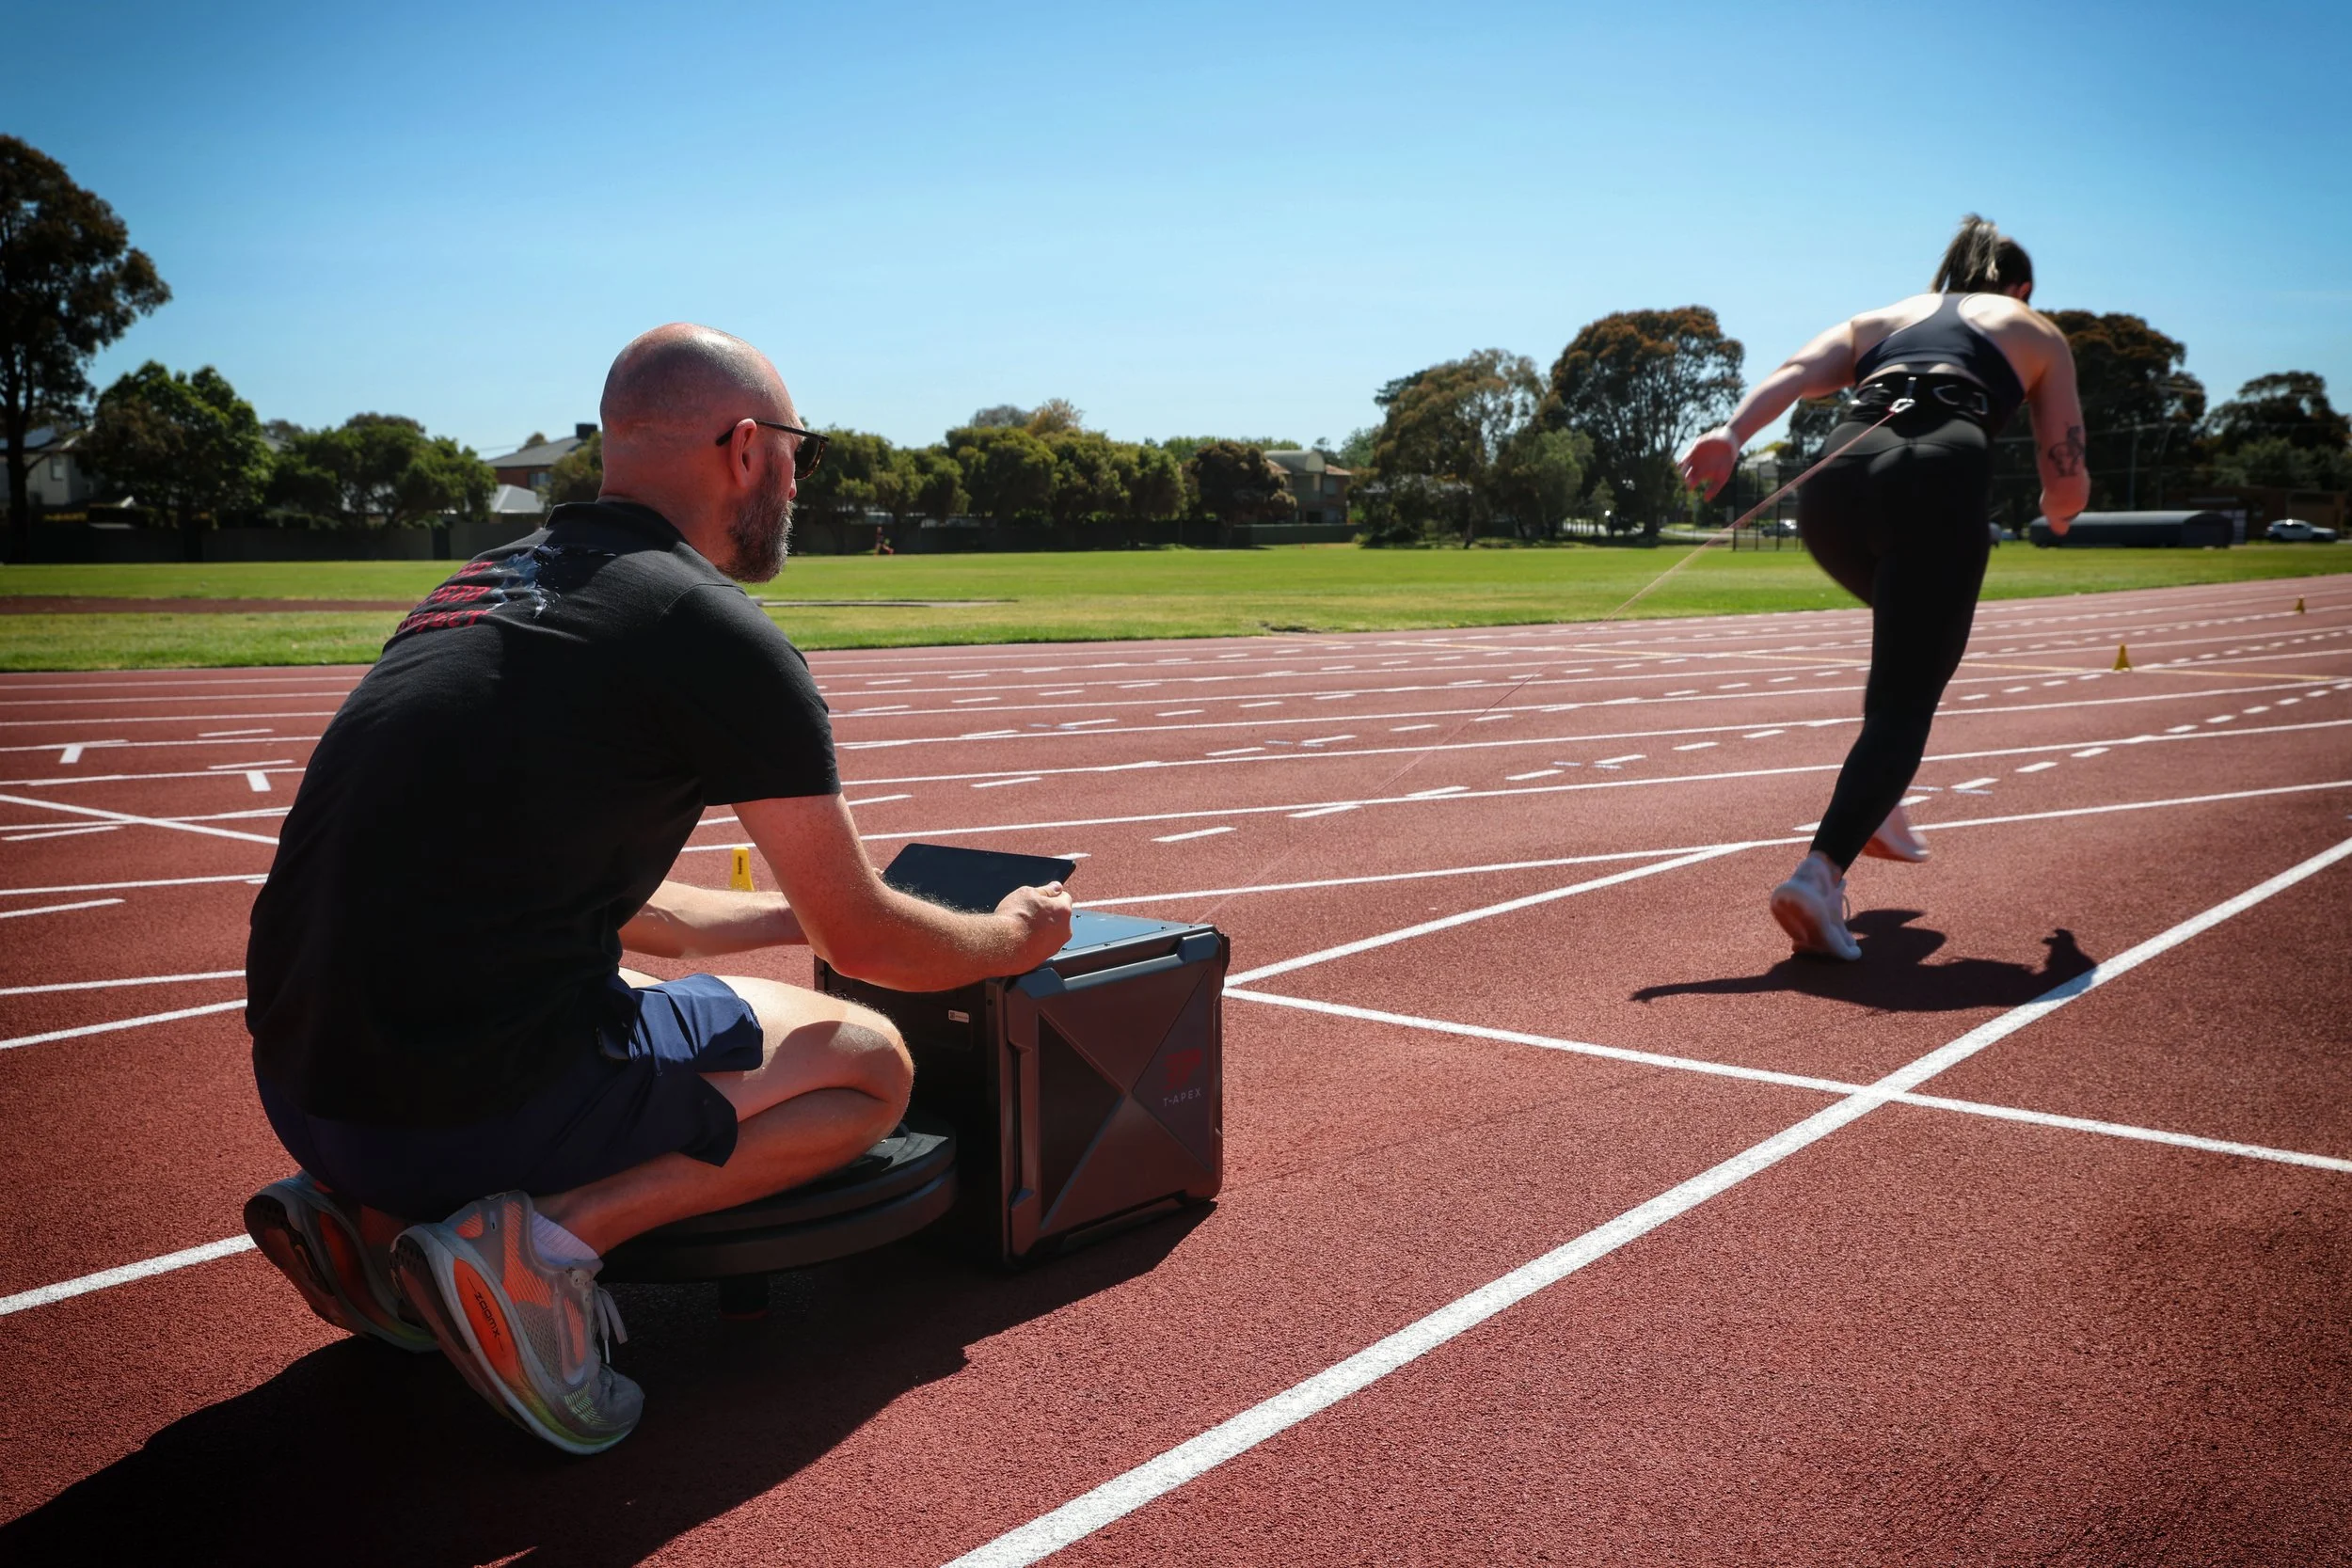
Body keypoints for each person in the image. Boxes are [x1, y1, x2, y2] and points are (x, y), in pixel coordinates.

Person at [241, 324, 1073, 1454]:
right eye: (800, 451)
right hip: (465, 1110)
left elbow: (645, 913)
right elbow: (867, 940)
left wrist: (794, 910)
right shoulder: (705, 625)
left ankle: (363, 1224)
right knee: (870, 1064)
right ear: (745, 448)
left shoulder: (472, 590)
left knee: (619, 974)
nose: (796, 477)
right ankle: (544, 1249)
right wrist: (1005, 938)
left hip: (309, 1096)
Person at [1677, 215, 2089, 960]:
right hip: (1937, 475)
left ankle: (1880, 796)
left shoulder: (1882, 316)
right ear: (2019, 287)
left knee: (1904, 653)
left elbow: (1795, 376)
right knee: (1910, 694)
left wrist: (1731, 438)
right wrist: (2061, 514)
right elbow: (2065, 476)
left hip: (1834, 488)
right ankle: (1821, 872)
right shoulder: (2035, 328)